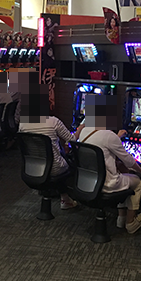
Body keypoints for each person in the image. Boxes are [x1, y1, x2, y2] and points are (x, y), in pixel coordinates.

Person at [79, 94, 141, 234]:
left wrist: (117, 138)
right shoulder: (109, 135)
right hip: (107, 184)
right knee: (137, 182)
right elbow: (128, 161)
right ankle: (131, 222)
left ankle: (121, 218)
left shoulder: (84, 131)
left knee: (123, 175)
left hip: (89, 181)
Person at [19, 76, 81, 209]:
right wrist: (81, 127)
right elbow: (72, 139)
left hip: (31, 167)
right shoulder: (53, 121)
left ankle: (57, 195)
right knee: (69, 160)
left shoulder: (23, 124)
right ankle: (67, 198)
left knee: (57, 154)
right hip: (54, 169)